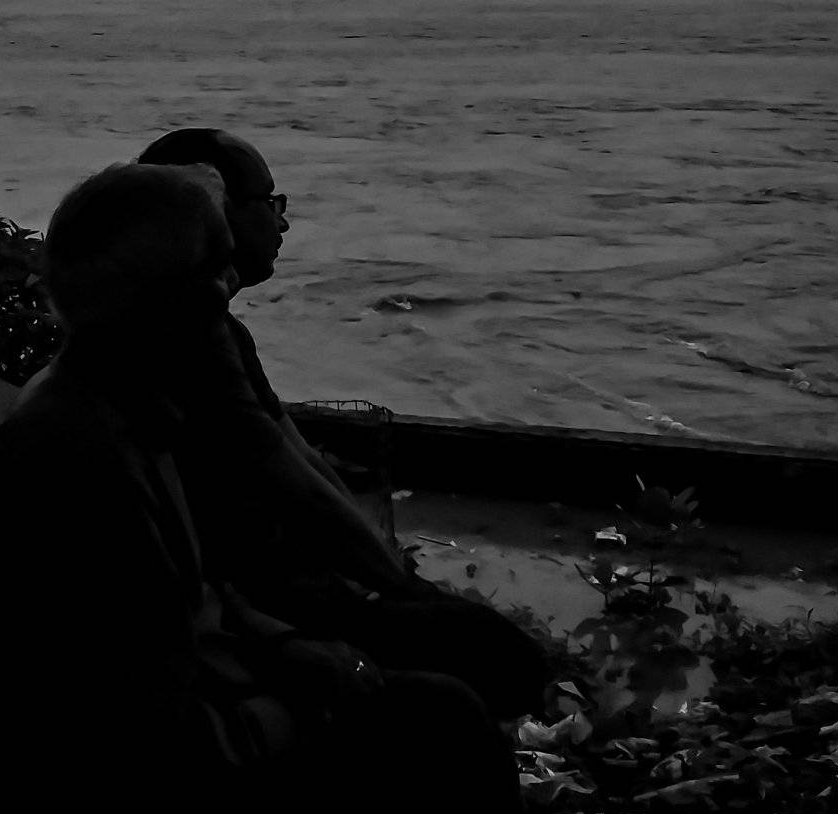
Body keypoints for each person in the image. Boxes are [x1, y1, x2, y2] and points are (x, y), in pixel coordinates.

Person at [0, 164, 547, 814]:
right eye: (217, 265)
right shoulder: (84, 465)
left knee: (427, 712)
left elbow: (199, 602)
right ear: (175, 296)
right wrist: (306, 699)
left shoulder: (119, 409)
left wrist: (293, 653)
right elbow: (145, 743)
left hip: (145, 760)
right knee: (437, 743)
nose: (228, 288)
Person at [136, 128, 548, 721]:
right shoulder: (188, 345)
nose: (283, 221)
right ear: (215, 213)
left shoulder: (220, 333)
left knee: (480, 641)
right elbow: (290, 479)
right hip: (257, 605)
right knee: (493, 659)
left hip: (279, 586)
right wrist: (397, 585)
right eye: (270, 202)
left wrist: (385, 570)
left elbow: (300, 459)